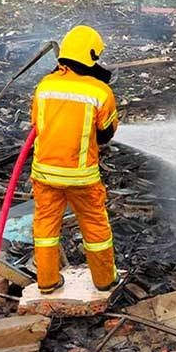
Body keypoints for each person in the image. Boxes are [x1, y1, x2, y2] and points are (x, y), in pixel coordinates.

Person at [30, 25, 120, 294]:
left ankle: (47, 281)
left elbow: (36, 125)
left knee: (45, 228)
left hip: (45, 174)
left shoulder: (44, 86)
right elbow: (106, 134)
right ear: (91, 55)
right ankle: (104, 280)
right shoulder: (100, 92)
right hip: (82, 177)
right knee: (95, 226)